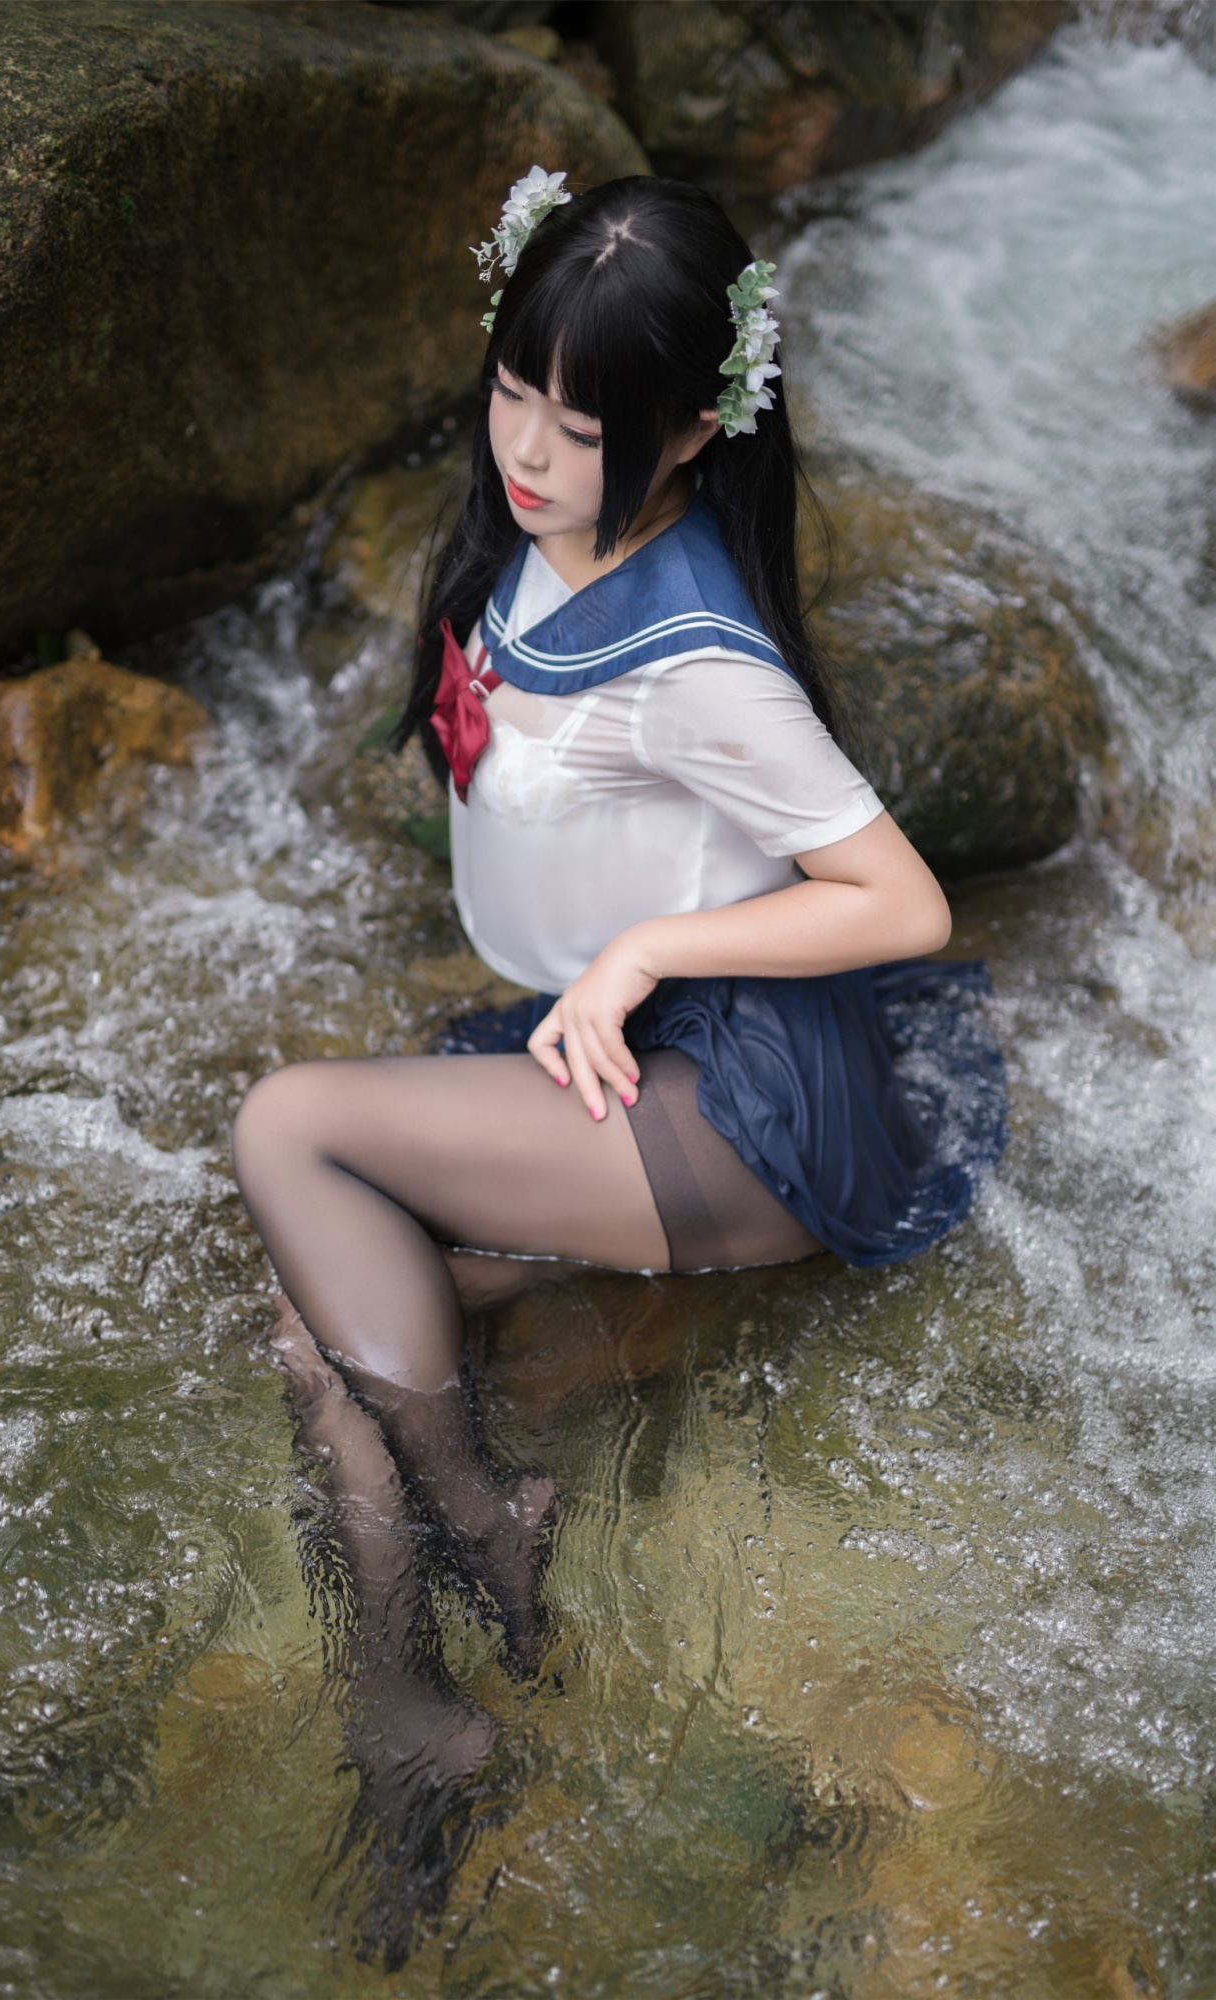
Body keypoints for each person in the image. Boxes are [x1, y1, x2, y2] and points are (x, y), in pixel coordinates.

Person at [231, 171, 1003, 1943]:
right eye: (514, 390)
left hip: (733, 1101)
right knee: (314, 1321)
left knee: (286, 1132)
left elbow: (902, 901)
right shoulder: (543, 527)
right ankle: (408, 1702)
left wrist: (649, 947)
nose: (526, 449)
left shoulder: (700, 654)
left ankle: (480, 1522)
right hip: (609, 1051)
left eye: (580, 427)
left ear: (694, 430)